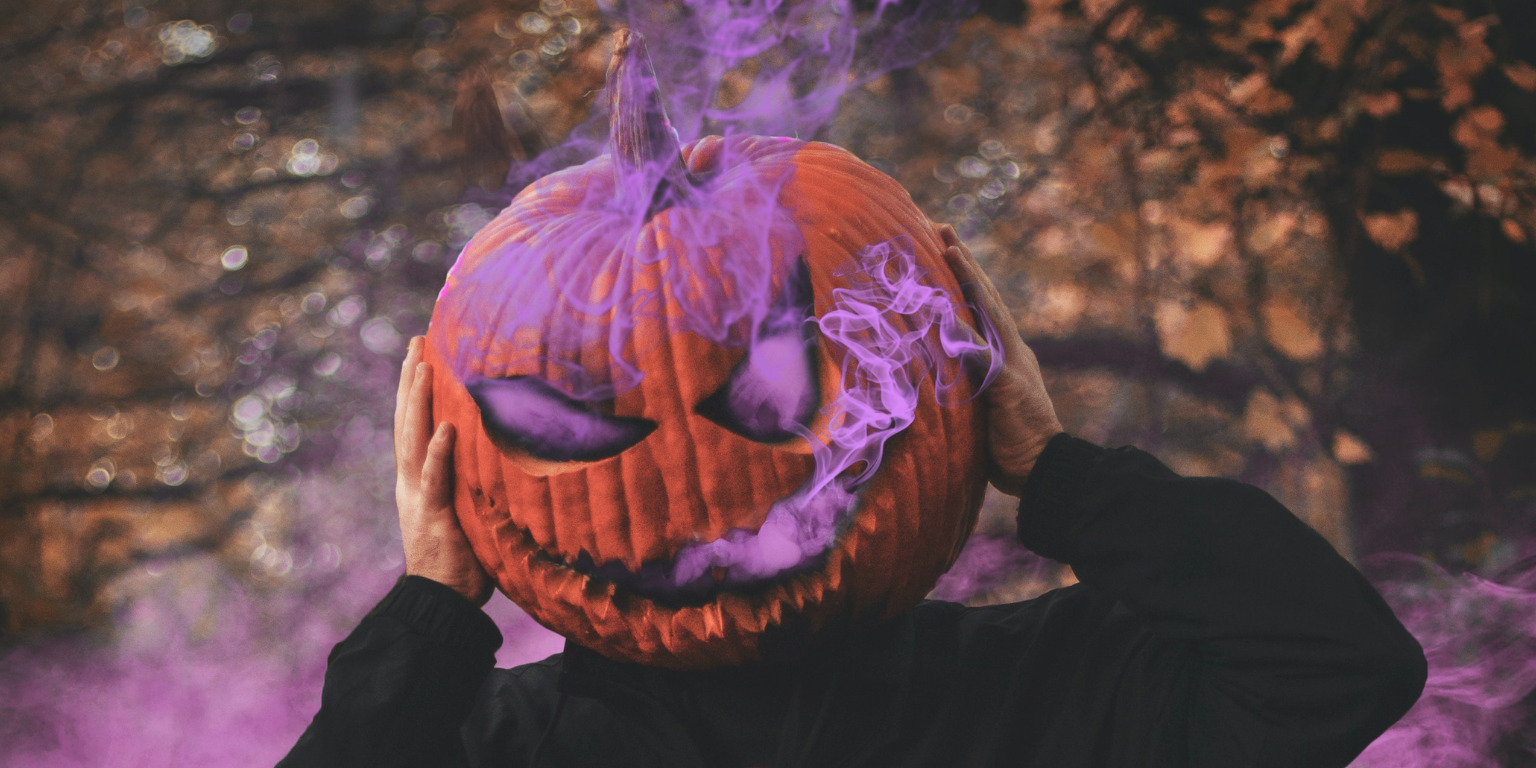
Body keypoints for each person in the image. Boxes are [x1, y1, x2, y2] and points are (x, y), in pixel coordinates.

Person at [279, 228, 1425, 767]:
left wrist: (1059, 473)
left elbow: (1339, 663)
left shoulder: (1052, 694)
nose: (694, 495)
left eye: (779, 398)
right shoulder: (492, 749)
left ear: (937, 408)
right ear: (471, 470)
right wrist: (433, 606)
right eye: (569, 428)